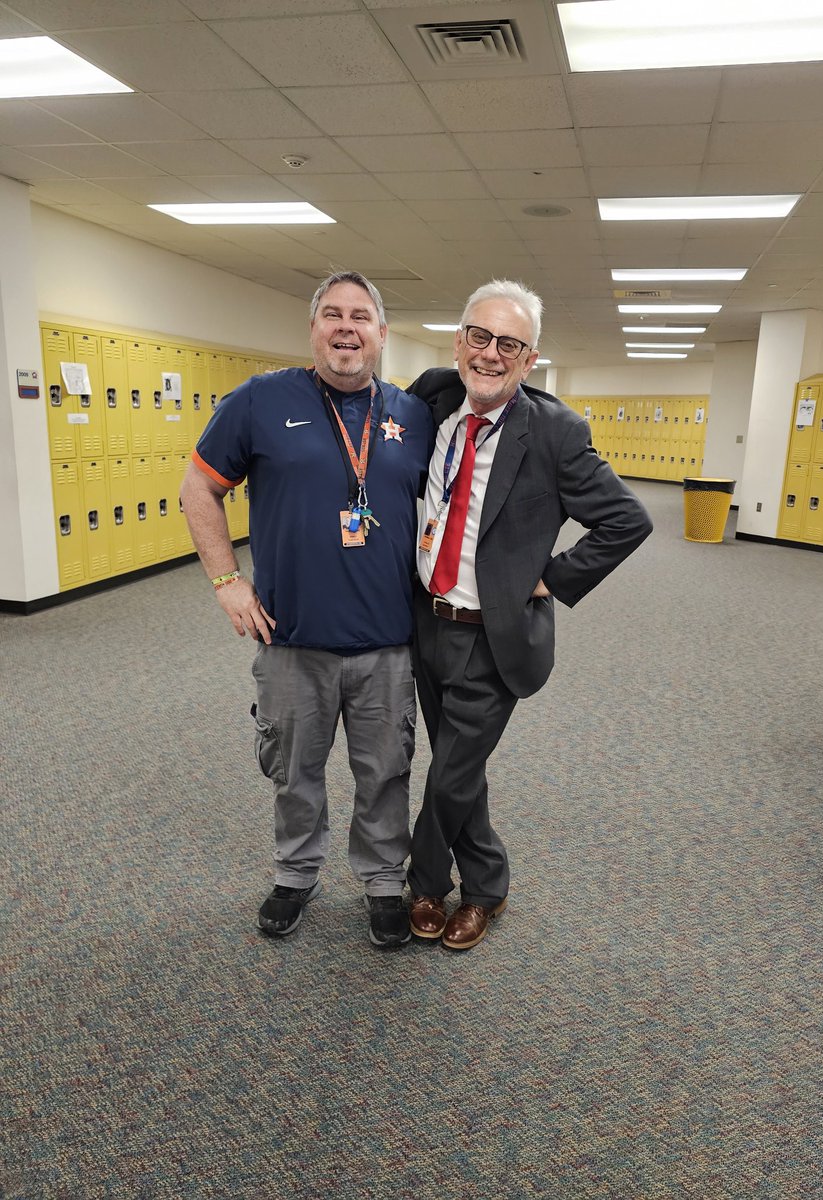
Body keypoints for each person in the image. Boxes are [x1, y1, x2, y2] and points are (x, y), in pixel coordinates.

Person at [180, 271, 433, 949]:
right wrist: (225, 580)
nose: (345, 327)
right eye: (331, 314)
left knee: (386, 770)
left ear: (382, 333)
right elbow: (199, 488)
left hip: (387, 641)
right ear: (313, 328)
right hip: (292, 638)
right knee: (294, 768)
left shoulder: (412, 415)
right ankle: (295, 873)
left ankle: (383, 882)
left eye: (359, 316)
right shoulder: (262, 400)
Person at [408, 279, 653, 951]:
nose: (490, 354)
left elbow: (627, 521)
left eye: (508, 344)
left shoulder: (555, 432)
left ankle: (424, 881)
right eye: (478, 337)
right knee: (458, 767)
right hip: (426, 623)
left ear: (529, 357)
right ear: (460, 341)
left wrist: (547, 580)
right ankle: (487, 880)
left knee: (451, 771)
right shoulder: (432, 397)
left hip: (495, 636)